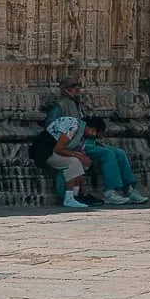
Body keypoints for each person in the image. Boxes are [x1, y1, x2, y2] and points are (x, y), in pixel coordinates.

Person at [44, 78, 93, 211]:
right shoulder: (61, 106)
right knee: (74, 162)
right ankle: (68, 196)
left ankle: (77, 195)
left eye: (78, 86)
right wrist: (76, 153)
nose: (77, 89)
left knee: (82, 161)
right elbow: (52, 128)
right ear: (65, 89)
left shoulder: (77, 105)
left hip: (71, 144)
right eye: (73, 86)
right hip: (56, 147)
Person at [81, 115, 149, 205]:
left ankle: (129, 189)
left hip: (93, 143)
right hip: (82, 145)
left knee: (120, 153)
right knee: (108, 154)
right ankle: (109, 193)